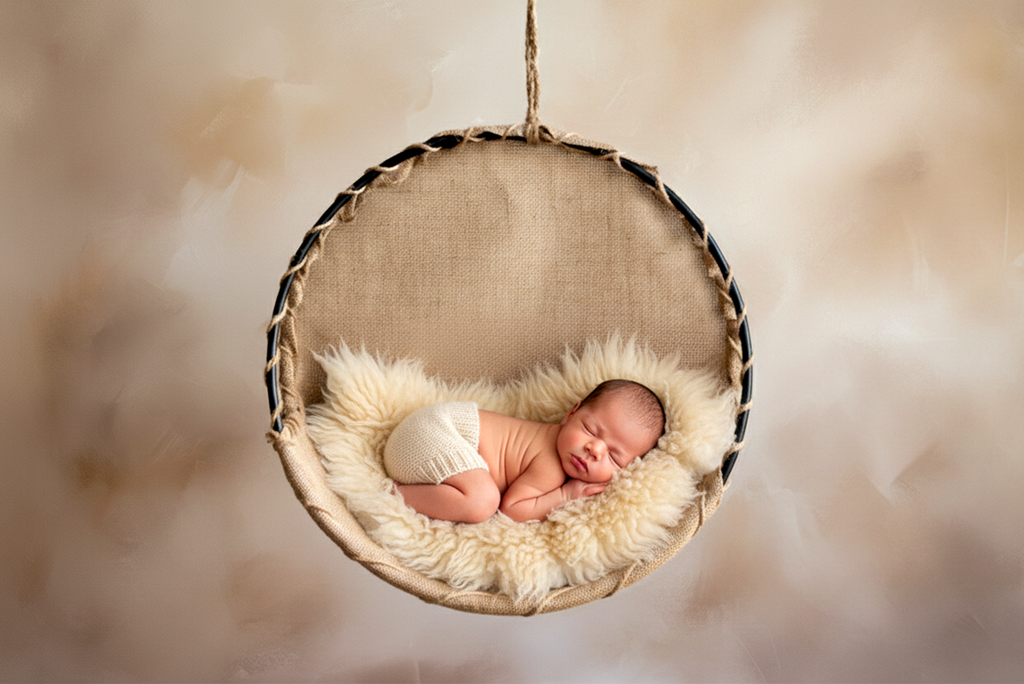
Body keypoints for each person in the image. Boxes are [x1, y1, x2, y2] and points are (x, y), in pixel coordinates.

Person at [384, 379, 665, 523]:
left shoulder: (552, 445)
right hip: (431, 434)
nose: (595, 450)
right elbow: (512, 509)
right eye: (590, 430)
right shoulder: (551, 465)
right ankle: (393, 494)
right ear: (571, 414)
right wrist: (566, 496)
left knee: (480, 496)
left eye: (614, 457)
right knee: (482, 502)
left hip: (422, 437)